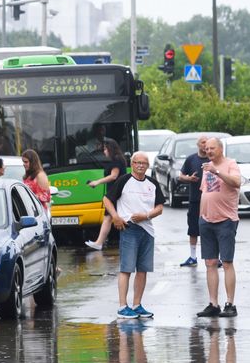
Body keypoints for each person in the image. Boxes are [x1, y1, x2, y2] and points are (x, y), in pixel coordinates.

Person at [103, 152, 165, 319]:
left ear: (147, 165)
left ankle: (137, 305)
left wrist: (146, 216)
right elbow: (106, 199)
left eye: (144, 163)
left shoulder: (152, 183)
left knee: (143, 269)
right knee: (126, 268)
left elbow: (160, 207)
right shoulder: (124, 180)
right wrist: (115, 216)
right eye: (137, 162)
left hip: (147, 230)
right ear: (132, 164)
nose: (140, 166)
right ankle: (123, 306)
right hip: (129, 228)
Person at [196, 138, 242, 319]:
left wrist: (217, 171)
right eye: (206, 149)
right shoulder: (206, 167)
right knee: (210, 263)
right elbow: (205, 192)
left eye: (212, 148)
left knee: (227, 262)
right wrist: (201, 216)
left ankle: (230, 304)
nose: (208, 151)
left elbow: (236, 182)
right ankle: (213, 304)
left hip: (226, 220)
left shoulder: (230, 164)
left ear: (221, 149)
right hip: (206, 220)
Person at [84, 139, 128, 251]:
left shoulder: (116, 161)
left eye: (105, 149)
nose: (104, 151)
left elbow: (113, 176)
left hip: (115, 193)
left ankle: (100, 243)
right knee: (109, 218)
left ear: (110, 149)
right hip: (116, 192)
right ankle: (99, 243)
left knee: (110, 218)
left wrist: (97, 182)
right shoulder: (118, 159)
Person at [177, 135, 211, 265]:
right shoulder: (191, 159)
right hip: (195, 199)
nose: (205, 145)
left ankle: (214, 257)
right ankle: (192, 257)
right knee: (193, 229)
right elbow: (180, 176)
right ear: (198, 144)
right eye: (203, 142)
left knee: (211, 228)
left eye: (207, 143)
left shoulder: (212, 159)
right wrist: (189, 179)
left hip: (211, 200)